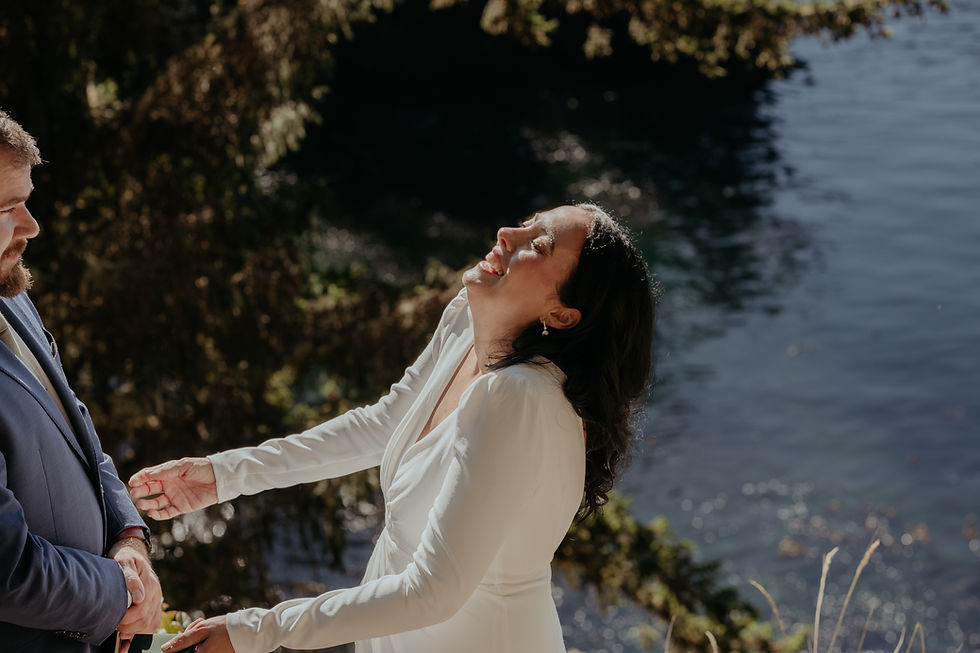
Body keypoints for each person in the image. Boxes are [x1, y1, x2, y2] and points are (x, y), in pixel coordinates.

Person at [131, 203, 655, 653]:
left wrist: (257, 631)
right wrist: (222, 476)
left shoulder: (519, 400)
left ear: (562, 316)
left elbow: (432, 591)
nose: (508, 235)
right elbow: (382, 425)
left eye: (537, 246)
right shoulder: (467, 322)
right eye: (526, 223)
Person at [0, 109, 163, 652]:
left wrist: (129, 536)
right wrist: (122, 590)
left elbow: (75, 421)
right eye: (5, 208)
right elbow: (9, 570)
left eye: (26, 200)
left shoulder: (11, 291)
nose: (30, 226)